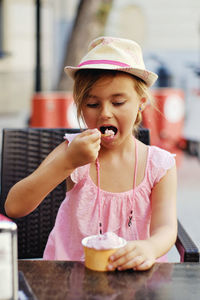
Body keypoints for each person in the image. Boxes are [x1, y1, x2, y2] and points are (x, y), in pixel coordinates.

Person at [5, 36, 177, 271]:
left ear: (141, 102)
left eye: (118, 102)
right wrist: (67, 162)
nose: (105, 113)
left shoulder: (159, 165)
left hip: (134, 280)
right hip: (71, 277)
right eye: (93, 104)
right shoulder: (72, 152)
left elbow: (166, 228)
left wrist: (150, 247)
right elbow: (15, 206)